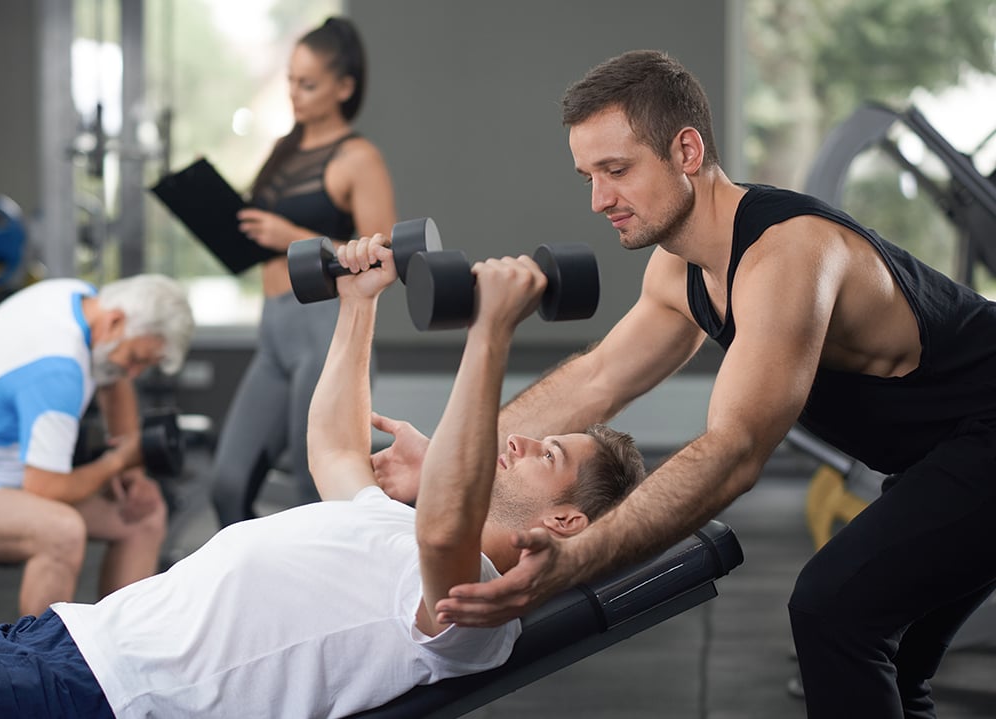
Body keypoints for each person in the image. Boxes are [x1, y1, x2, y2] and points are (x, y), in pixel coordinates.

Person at [0, 234, 645, 719]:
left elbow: (447, 523)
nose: (523, 442)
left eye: (549, 453)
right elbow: (332, 447)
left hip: (102, 698)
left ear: (565, 523)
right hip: (62, 638)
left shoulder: (472, 603)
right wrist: (358, 304)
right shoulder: (390, 527)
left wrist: (490, 336)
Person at [368, 49, 996, 718]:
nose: (599, 200)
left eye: (617, 170)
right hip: (945, 455)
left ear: (686, 151)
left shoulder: (788, 254)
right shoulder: (681, 271)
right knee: (889, 656)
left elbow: (734, 450)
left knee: (835, 610)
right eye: (588, 176)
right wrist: (449, 463)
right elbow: (595, 381)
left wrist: (576, 559)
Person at [0, 274, 195, 617]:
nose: (133, 373)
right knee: (60, 531)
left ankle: (119, 643)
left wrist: (133, 475)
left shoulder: (83, 299)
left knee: (143, 515)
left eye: (143, 365)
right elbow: (46, 488)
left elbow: (114, 379)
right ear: (115, 322)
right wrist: (118, 461)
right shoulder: (57, 368)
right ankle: (38, 652)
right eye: (135, 359)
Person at [212, 15, 397, 526]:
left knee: (313, 491)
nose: (294, 93)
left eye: (308, 84)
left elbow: (384, 253)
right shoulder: (283, 150)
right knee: (228, 484)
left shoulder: (358, 158)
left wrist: (291, 236)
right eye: (291, 80)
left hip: (323, 328)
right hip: (274, 326)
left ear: (344, 87)